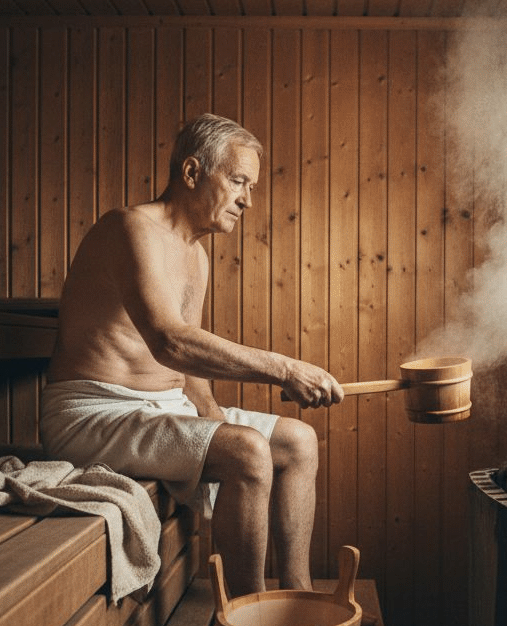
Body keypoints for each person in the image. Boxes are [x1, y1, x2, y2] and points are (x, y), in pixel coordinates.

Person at [40, 113, 344, 599]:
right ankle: (251, 619)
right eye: (239, 181)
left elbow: (187, 361)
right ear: (191, 173)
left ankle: (299, 596)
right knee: (247, 451)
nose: (249, 199)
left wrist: (214, 417)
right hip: (94, 411)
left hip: (163, 409)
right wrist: (284, 369)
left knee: (298, 442)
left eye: (252, 185)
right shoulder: (129, 228)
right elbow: (170, 341)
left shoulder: (196, 255)